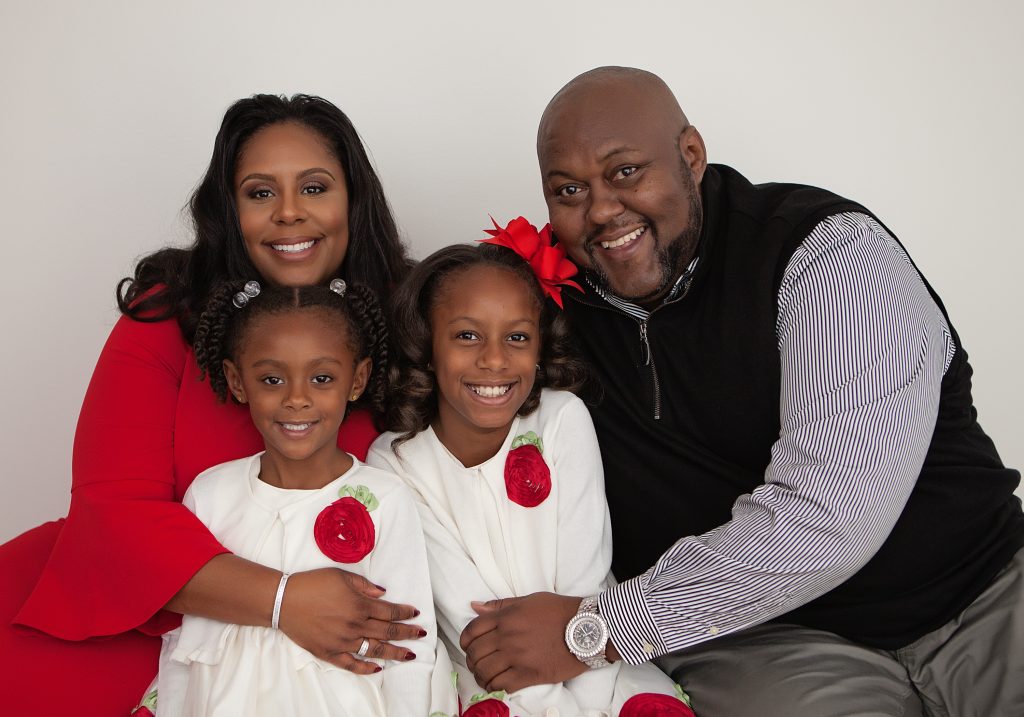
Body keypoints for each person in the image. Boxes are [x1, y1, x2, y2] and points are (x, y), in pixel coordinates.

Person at [459, 67, 1024, 716]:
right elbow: (430, 351)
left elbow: (829, 519)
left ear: (691, 156)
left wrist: (596, 628)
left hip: (980, 594)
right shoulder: (542, 308)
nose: (602, 210)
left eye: (624, 172)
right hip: (761, 643)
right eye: (568, 190)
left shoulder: (826, 254)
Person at [0, 94, 421, 715]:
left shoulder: (412, 321)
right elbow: (114, 508)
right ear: (231, 211)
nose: (288, 214)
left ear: (354, 202)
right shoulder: (170, 312)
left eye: (314, 187)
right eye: (259, 193)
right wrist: (283, 602)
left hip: (338, 671)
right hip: (131, 630)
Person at [368, 229, 695, 717]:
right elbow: (465, 615)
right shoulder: (395, 462)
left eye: (517, 337)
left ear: (541, 346)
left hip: (595, 654)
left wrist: (586, 693)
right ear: (426, 345)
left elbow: (584, 578)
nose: (495, 359)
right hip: (489, 673)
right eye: (467, 335)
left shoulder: (562, 419)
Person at [138, 279, 456, 716]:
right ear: (237, 380)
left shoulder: (385, 499)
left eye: (322, 378)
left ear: (357, 379)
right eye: (272, 379)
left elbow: (408, 640)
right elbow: (185, 639)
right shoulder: (210, 495)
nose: (297, 399)